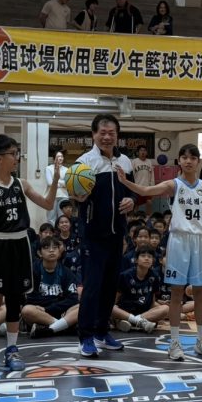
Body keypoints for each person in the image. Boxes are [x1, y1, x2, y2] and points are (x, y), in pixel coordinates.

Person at [118, 143, 202, 360]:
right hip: (179, 240)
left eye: (193, 157)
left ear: (198, 161)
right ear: (179, 161)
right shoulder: (174, 184)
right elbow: (146, 191)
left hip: (200, 241)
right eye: (185, 157)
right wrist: (126, 182)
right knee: (177, 293)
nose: (188, 161)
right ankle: (174, 343)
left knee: (200, 293)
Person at [0, 134, 60, 371]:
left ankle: (12, 349)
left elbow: (47, 204)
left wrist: (55, 179)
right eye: (13, 154)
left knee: (14, 300)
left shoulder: (22, 184)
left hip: (21, 245)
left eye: (17, 153)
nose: (16, 158)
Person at [74, 114, 134, 358]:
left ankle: (101, 332)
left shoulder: (125, 162)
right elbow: (76, 196)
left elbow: (132, 190)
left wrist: (132, 200)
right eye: (103, 132)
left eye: (112, 133)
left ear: (117, 135)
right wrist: (78, 196)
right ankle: (86, 336)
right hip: (93, 235)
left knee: (110, 287)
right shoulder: (83, 163)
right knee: (92, 287)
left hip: (117, 234)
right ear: (93, 135)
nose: (107, 137)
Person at [23, 235, 80, 339]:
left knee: (81, 307)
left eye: (55, 248)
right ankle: (63, 327)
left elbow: (73, 298)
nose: (51, 250)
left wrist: (49, 307)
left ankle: (49, 329)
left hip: (62, 312)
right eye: (46, 248)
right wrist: (51, 305)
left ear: (59, 252)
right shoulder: (33, 270)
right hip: (40, 313)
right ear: (39, 253)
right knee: (27, 310)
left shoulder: (66, 272)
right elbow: (31, 298)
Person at [45, 149, 69, 223]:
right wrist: (62, 183)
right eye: (58, 156)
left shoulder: (67, 169)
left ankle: (60, 231)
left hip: (64, 195)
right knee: (51, 218)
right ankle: (52, 230)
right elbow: (49, 183)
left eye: (62, 156)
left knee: (63, 217)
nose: (60, 158)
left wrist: (55, 181)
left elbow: (67, 184)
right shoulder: (48, 168)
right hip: (52, 196)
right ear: (54, 158)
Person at [129, 145, 154, 215]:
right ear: (138, 152)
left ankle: (148, 218)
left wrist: (152, 186)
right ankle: (133, 218)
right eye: (141, 150)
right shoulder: (134, 162)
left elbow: (152, 175)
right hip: (137, 187)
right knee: (135, 205)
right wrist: (131, 187)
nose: (143, 152)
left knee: (149, 202)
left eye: (144, 150)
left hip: (147, 187)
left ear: (146, 153)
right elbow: (131, 175)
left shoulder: (149, 162)